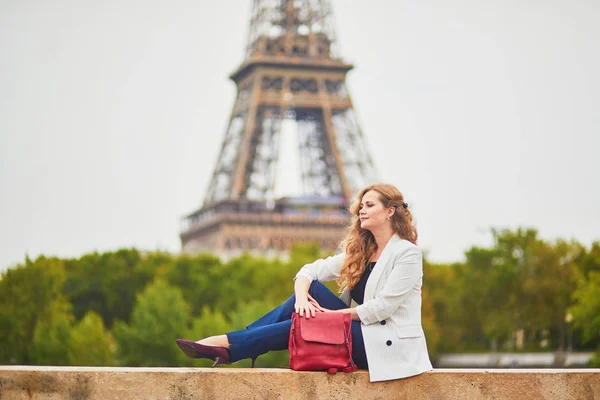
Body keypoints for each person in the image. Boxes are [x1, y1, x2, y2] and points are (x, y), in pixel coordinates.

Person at [176, 183, 433, 382]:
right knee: (309, 293)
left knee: (302, 324)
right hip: (359, 331)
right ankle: (238, 343)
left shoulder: (407, 253)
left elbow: (382, 308)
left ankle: (230, 345)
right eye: (360, 206)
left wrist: (329, 317)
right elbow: (309, 270)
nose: (361, 211)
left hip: (384, 345)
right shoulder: (363, 251)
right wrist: (301, 299)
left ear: (390, 211)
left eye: (369, 205)